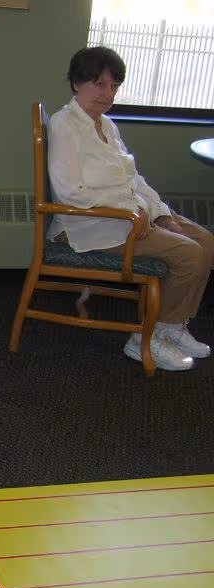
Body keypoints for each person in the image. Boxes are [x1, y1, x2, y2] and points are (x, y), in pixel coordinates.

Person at [48, 46, 214, 372]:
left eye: (113, 86)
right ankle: (145, 339)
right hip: (89, 225)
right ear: (76, 84)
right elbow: (71, 192)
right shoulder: (64, 124)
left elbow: (133, 179)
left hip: (128, 215)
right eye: (99, 84)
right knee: (189, 255)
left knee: (206, 242)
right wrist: (134, 212)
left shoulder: (106, 125)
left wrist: (161, 212)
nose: (107, 93)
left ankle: (171, 326)